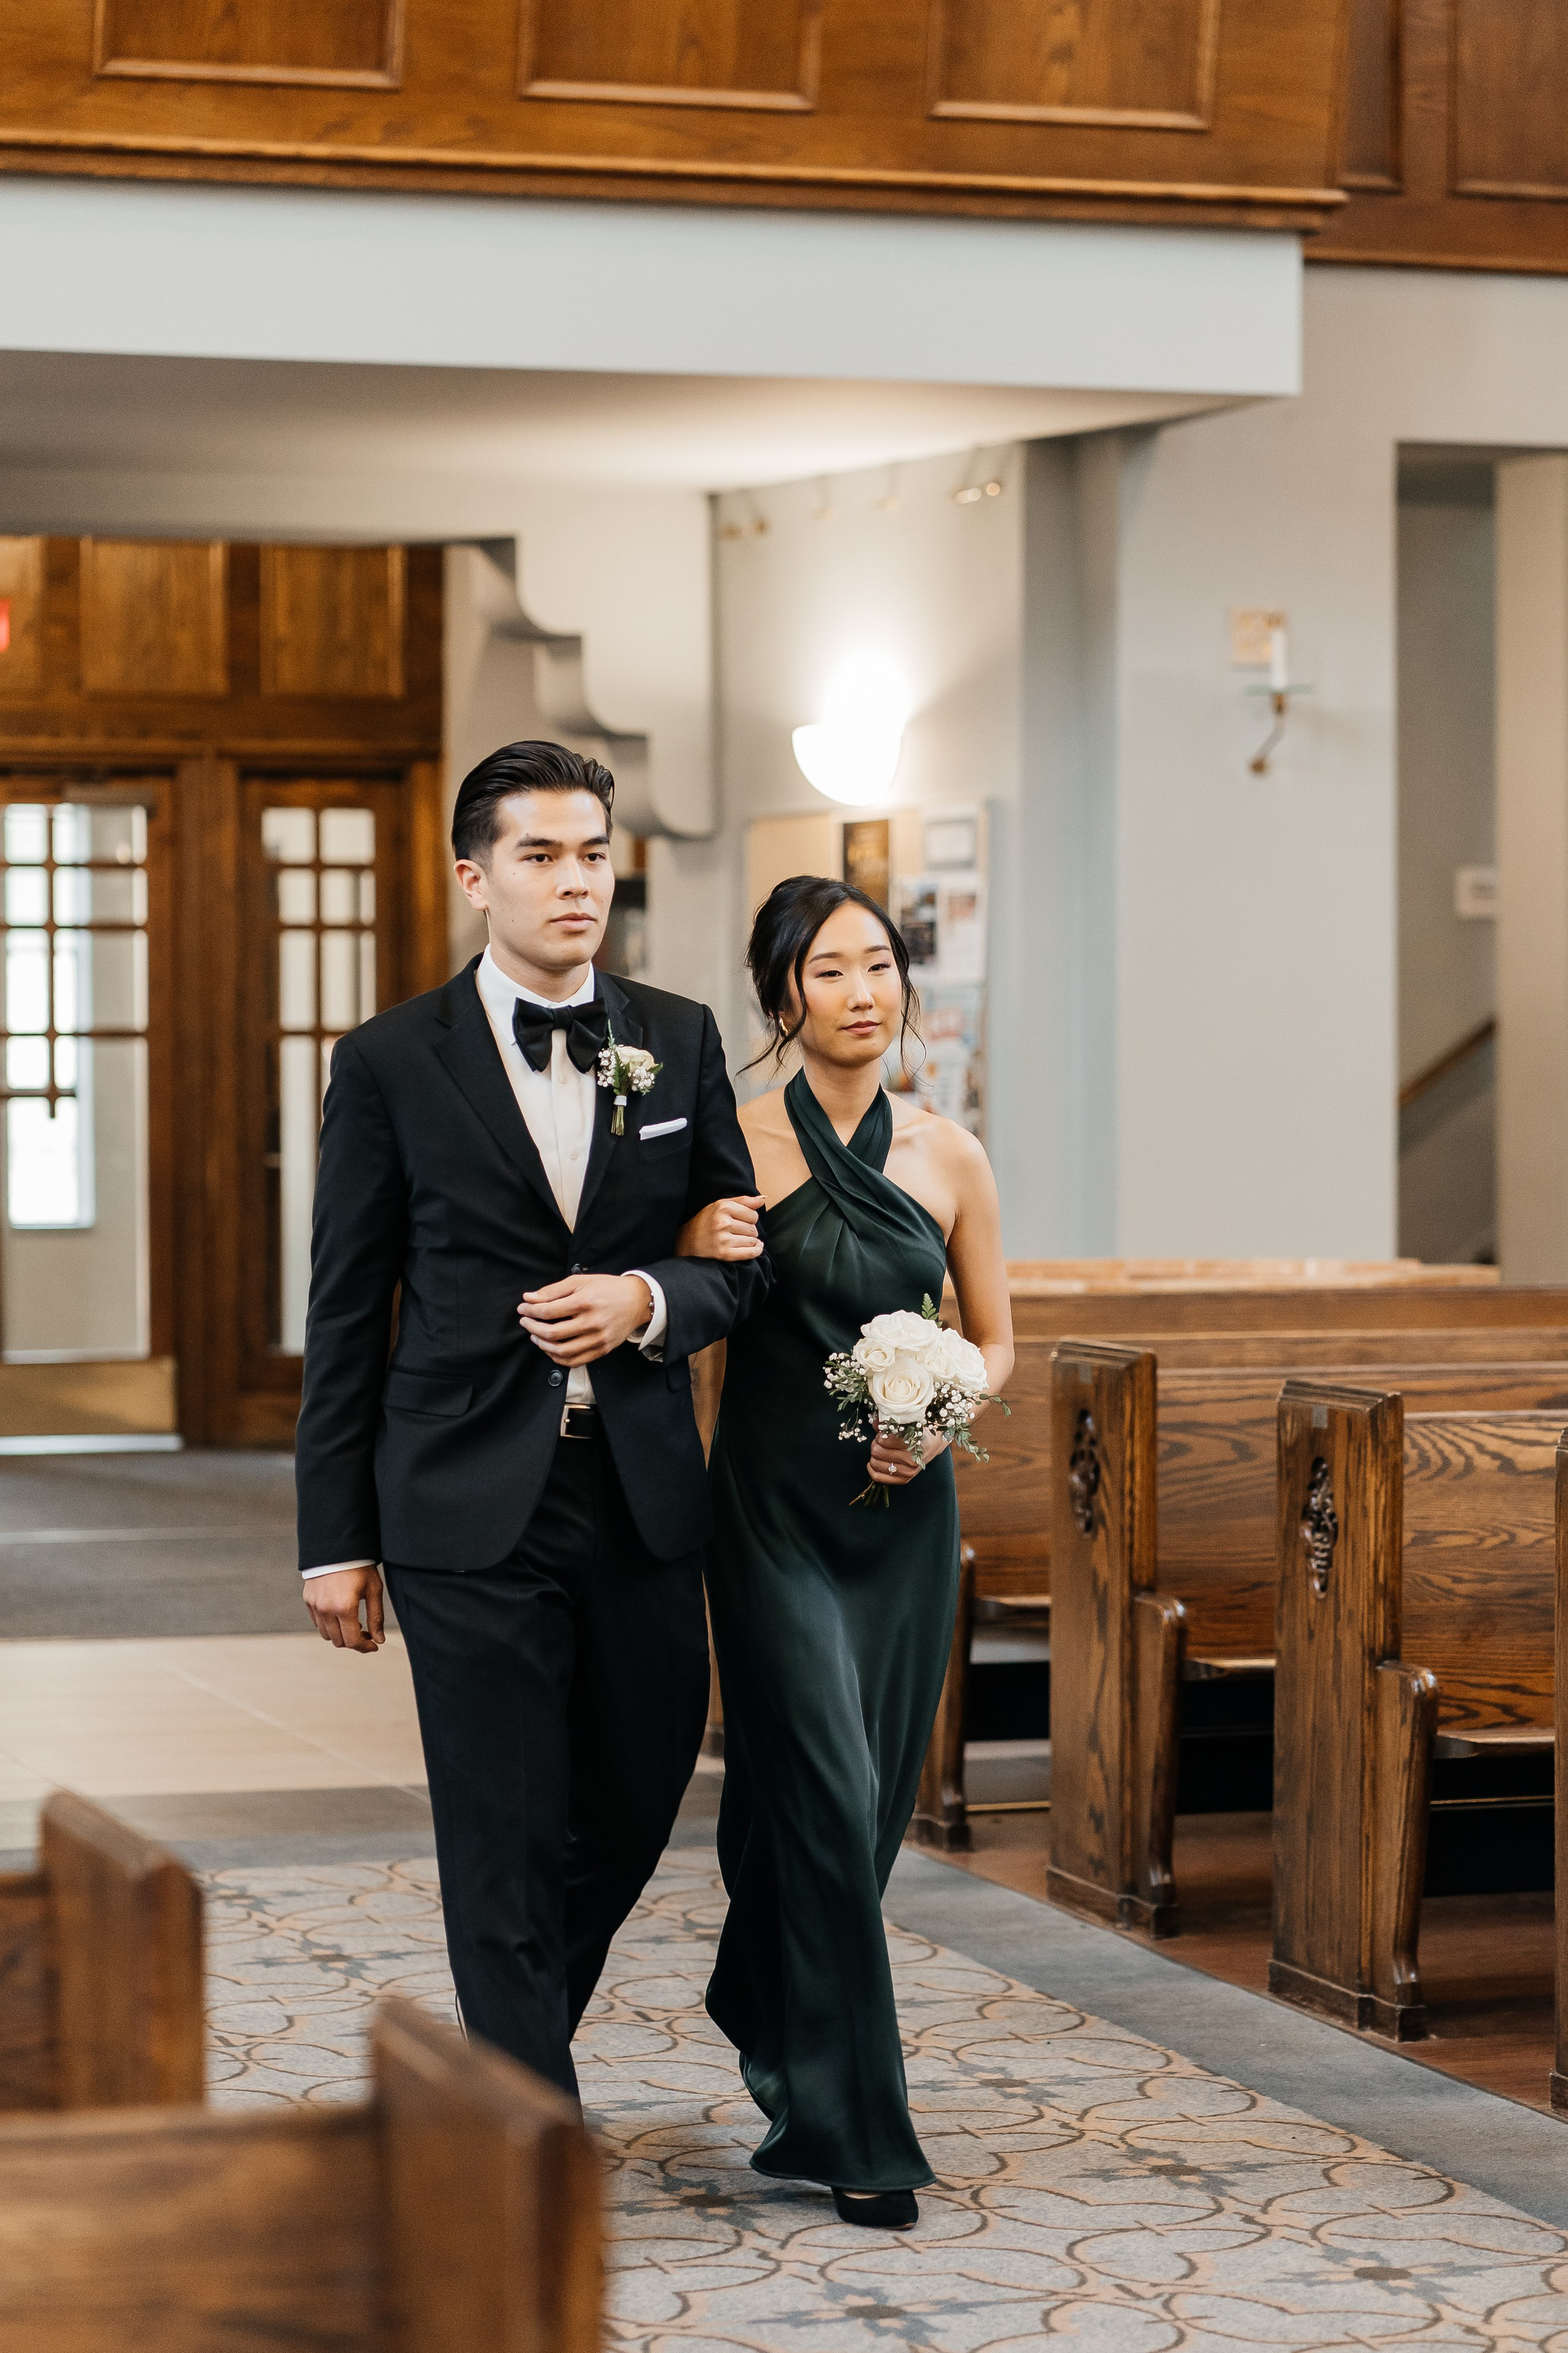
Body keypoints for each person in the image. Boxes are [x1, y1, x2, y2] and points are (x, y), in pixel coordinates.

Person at [294, 740, 771, 2099]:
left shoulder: (676, 1036)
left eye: (592, 855)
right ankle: (526, 2116)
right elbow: (345, 1309)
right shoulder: (387, 1061)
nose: (576, 884)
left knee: (632, 1791)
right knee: (499, 1821)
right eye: (540, 856)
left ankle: (492, 2062)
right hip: (459, 1495)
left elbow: (736, 1261)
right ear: (474, 875)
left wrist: (643, 1297)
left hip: (634, 1489)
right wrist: (334, 1538)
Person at [679, 875, 1013, 2230]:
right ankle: (856, 2127)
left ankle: (757, 1987)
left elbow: (994, 1338)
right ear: (781, 998)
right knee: (817, 1788)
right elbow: (677, 1320)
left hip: (898, 1526)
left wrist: (942, 1417)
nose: (863, 990)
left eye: (878, 964)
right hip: (765, 1515)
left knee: (856, 1815)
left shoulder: (947, 1153)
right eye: (829, 970)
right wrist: (690, 1242)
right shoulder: (727, 1145)